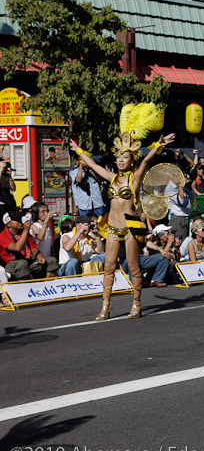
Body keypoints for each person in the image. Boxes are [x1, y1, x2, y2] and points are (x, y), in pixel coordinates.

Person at [70, 103, 174, 321]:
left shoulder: (133, 178)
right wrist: (79, 151)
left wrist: (157, 145)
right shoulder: (113, 178)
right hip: (112, 228)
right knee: (108, 266)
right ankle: (106, 305)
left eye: (125, 157)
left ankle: (137, 302)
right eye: (118, 156)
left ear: (131, 160)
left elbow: (146, 160)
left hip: (130, 228)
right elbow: (94, 166)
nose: (120, 159)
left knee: (134, 266)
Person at [0, 211, 59, 280]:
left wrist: (40, 256)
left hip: (28, 262)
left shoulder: (24, 233)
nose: (20, 222)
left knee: (51, 260)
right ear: (8, 224)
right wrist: (25, 230)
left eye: (20, 219)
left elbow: (34, 250)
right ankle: (25, 287)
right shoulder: (2, 235)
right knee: (22, 263)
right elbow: (17, 248)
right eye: (17, 220)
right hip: (9, 265)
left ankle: (46, 284)